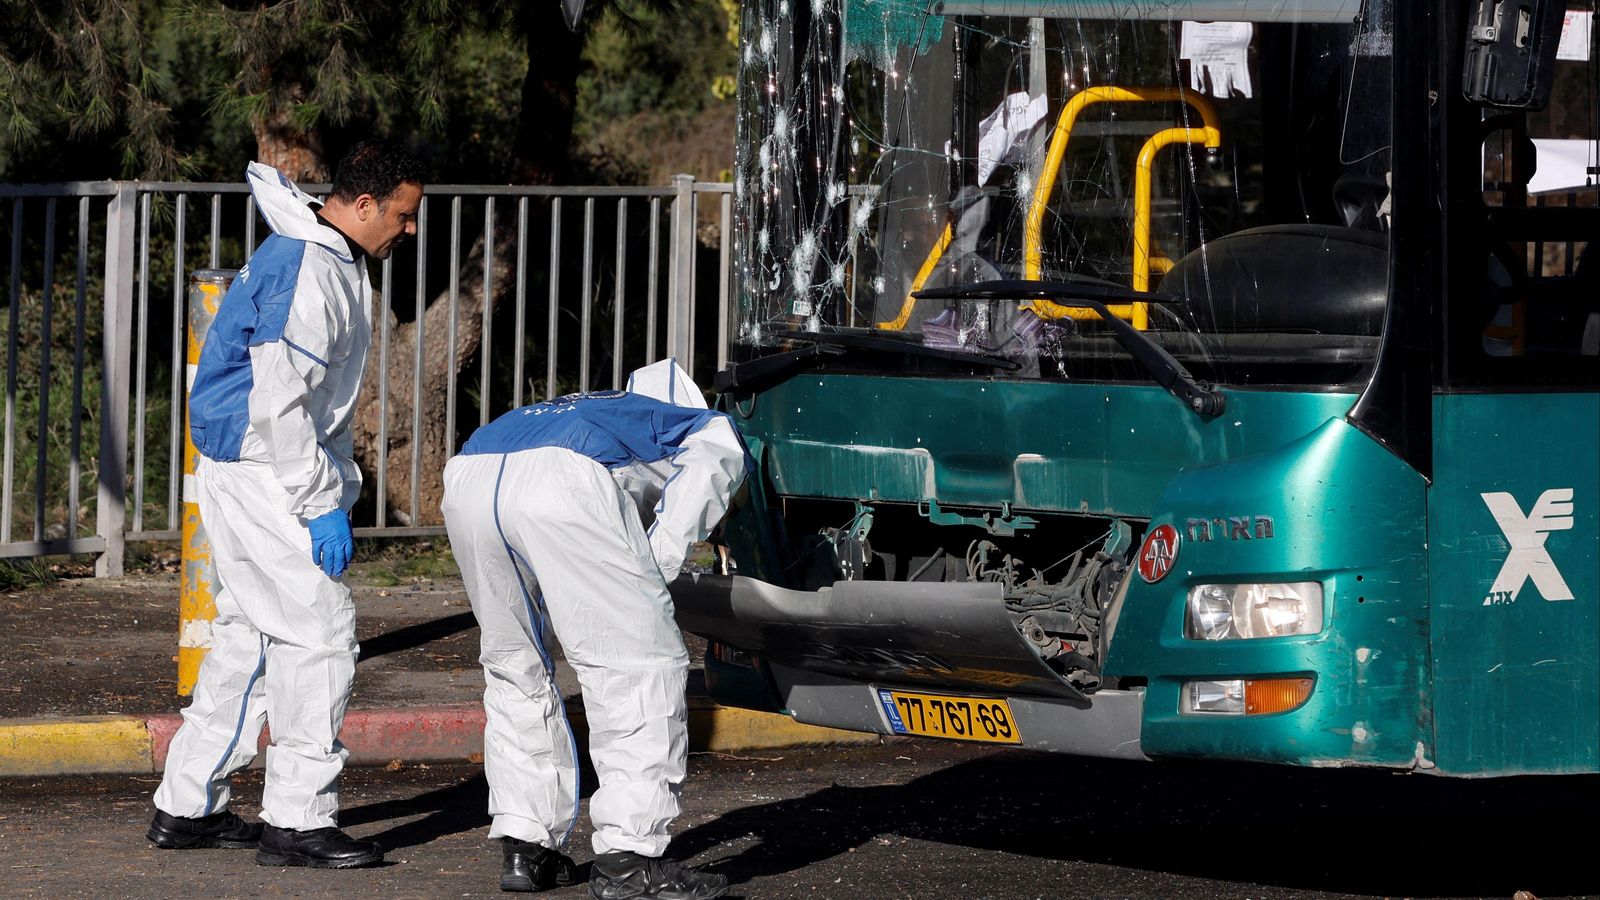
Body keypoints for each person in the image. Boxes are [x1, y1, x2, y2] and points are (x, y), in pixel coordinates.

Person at [146, 141, 425, 869]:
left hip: (249, 466)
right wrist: (317, 500)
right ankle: (298, 820)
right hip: (268, 470)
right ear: (363, 206)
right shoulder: (309, 266)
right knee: (318, 633)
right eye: (403, 213)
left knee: (250, 639)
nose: (410, 227)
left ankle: (188, 806)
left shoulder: (316, 253)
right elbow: (280, 403)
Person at [441, 359, 748, 899]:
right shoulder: (684, 421)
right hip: (562, 484)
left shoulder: (582, 406)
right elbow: (719, 456)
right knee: (640, 666)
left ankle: (526, 846)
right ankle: (630, 858)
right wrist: (658, 561)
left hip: (469, 473)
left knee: (516, 667)